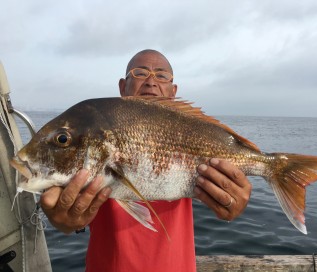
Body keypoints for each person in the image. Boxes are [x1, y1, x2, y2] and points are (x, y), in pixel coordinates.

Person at [40, 49, 252, 272]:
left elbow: (221, 197)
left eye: (161, 76)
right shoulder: (95, 130)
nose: (151, 82)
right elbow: (64, 215)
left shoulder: (188, 131)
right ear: (123, 86)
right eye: (140, 73)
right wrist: (64, 220)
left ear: (173, 91)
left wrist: (230, 204)